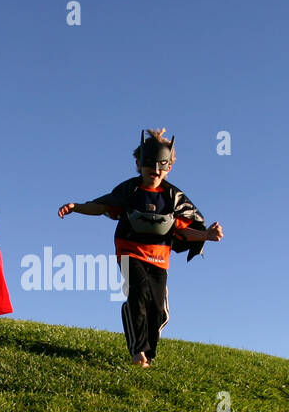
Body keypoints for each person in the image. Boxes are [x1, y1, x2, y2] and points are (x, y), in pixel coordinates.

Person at [58, 128, 222, 366]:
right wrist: (77, 207)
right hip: (130, 250)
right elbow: (103, 206)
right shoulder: (130, 190)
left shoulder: (173, 197)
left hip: (159, 257)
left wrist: (205, 235)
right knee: (138, 292)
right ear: (138, 163)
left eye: (161, 166)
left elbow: (181, 229)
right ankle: (138, 352)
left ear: (169, 167)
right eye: (149, 165)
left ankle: (149, 353)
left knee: (157, 309)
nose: (155, 171)